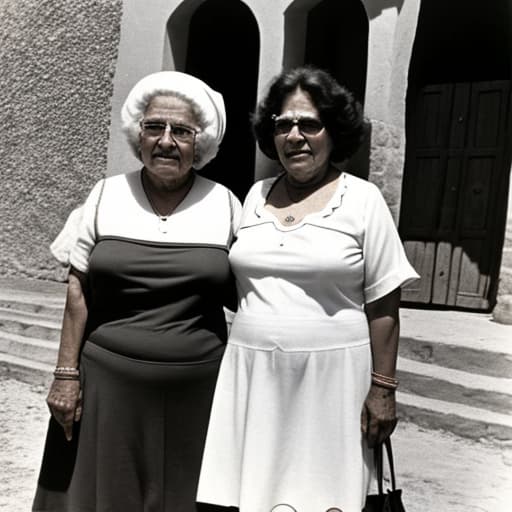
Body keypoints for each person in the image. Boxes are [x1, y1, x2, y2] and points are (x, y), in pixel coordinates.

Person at [196, 66, 419, 512]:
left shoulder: (362, 200)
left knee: (324, 495)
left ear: (333, 132)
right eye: (283, 125)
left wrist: (383, 388)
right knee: (255, 493)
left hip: (333, 380)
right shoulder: (255, 196)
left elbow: (385, 304)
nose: (295, 136)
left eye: (309, 124)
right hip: (253, 375)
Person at [33, 70, 242, 512]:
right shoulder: (106, 195)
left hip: (197, 393)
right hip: (107, 387)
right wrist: (65, 375)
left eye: (181, 131)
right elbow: (78, 290)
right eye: (154, 127)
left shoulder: (225, 204)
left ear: (199, 143)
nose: (166, 141)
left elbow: (249, 295)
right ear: (138, 134)